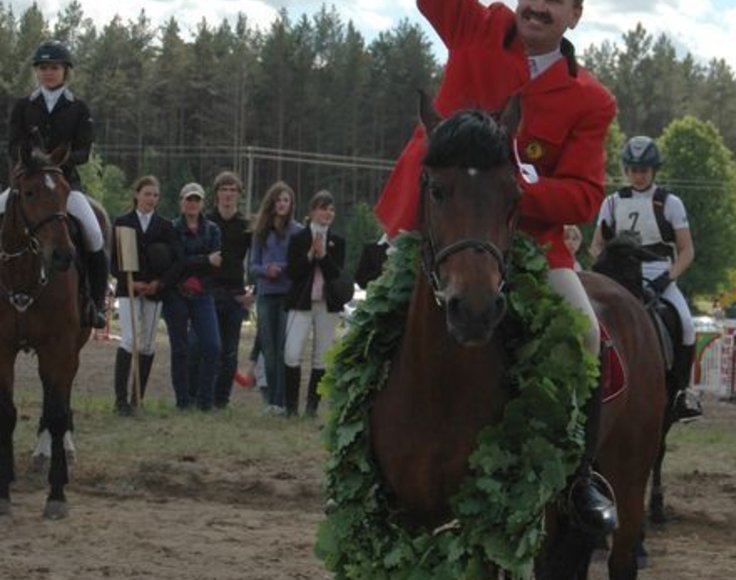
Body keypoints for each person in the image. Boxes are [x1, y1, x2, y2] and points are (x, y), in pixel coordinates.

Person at [373, 0, 618, 534]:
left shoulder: (591, 100)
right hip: (433, 230)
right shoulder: (474, 25)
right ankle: (359, 469)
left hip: (528, 243)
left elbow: (583, 194)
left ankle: (581, 480)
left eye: (556, 1)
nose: (538, 6)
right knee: (366, 325)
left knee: (585, 334)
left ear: (574, 15)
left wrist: (518, 188)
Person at [590, 136, 702, 423]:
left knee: (687, 326)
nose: (639, 175)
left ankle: (680, 393)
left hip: (658, 270)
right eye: (634, 169)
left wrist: (668, 279)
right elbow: (597, 245)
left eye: (645, 169)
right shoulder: (612, 203)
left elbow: (687, 250)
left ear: (654, 170)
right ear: (626, 170)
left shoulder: (670, 202)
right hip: (620, 274)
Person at [2, 40, 107, 328]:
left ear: (65, 71)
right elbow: (12, 146)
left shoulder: (78, 108)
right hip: (28, 185)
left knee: (95, 235)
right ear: (37, 71)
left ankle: (96, 305)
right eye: (44, 68)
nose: (49, 72)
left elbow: (84, 151)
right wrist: (33, 161)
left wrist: (56, 162)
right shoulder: (23, 106)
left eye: (55, 68)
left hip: (65, 184)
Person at [110, 175, 182, 416]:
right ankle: (120, 401)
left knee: (148, 344)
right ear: (136, 194)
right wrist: (130, 282)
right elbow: (114, 261)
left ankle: (137, 398)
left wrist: (159, 283)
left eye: (155, 195)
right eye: (147, 193)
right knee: (129, 340)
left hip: (154, 290)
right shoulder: (122, 222)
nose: (151, 198)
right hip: (129, 289)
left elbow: (176, 261)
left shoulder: (165, 226)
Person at [284, 190, 346, 418]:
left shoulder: (338, 241)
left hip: (327, 305)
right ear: (311, 212)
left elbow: (335, 274)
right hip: (301, 302)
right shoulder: (298, 239)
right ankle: (291, 408)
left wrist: (323, 256)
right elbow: (292, 273)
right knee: (292, 353)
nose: (327, 213)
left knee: (321, 356)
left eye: (331, 209)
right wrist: (310, 255)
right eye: (322, 208)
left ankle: (311, 408)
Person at [163, 183, 222, 411]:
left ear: (202, 203)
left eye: (196, 200)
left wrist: (192, 262)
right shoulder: (171, 228)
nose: (192, 204)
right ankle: (183, 400)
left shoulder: (213, 230)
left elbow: (217, 264)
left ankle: (205, 400)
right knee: (180, 349)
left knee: (212, 346)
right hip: (176, 294)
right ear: (181, 202)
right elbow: (175, 262)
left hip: (203, 293)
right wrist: (204, 260)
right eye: (189, 199)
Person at [249, 181, 301, 415]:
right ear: (271, 203)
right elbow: (253, 265)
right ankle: (270, 400)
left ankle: (281, 402)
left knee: (282, 348)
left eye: (286, 200)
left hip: (287, 295)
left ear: (291, 205)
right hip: (266, 295)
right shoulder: (261, 231)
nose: (281, 204)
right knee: (268, 348)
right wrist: (265, 270)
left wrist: (280, 268)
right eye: (278, 200)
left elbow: (300, 264)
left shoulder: (298, 232)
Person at [205, 171, 253, 409]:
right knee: (210, 347)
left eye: (233, 190)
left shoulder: (246, 227)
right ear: (217, 194)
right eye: (224, 189)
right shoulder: (206, 221)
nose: (228, 194)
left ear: (239, 194)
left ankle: (222, 400)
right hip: (210, 292)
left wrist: (252, 292)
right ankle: (205, 395)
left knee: (230, 352)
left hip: (235, 293)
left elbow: (256, 261)